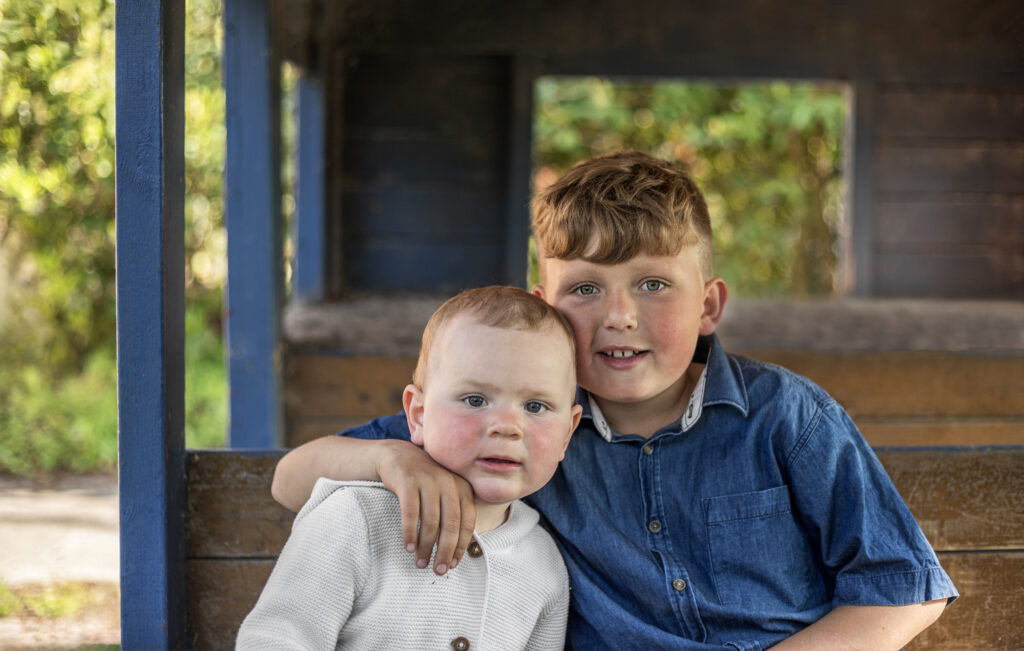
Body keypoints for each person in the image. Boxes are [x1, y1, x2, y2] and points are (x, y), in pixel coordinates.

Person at [271, 151, 958, 649]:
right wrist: (396, 459)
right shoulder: (524, 428)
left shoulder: (788, 417)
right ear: (543, 307)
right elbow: (291, 477)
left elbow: (905, 583)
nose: (618, 316)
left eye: (654, 284)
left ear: (709, 305)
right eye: (585, 288)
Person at [237, 286, 583, 650]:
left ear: (567, 433)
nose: (507, 426)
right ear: (417, 415)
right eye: (476, 400)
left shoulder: (544, 566)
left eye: (536, 406)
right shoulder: (354, 518)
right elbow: (275, 638)